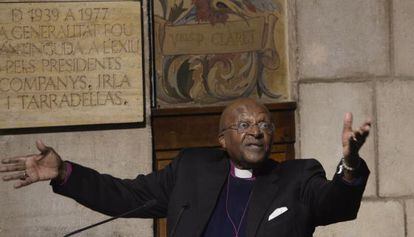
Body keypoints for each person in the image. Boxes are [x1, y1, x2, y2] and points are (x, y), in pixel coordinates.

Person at [0, 98, 371, 237]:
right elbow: (127, 195)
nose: (256, 132)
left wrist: (350, 163)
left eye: (264, 125)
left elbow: (335, 204)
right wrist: (65, 172)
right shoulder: (192, 170)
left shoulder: (297, 176)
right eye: (243, 125)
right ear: (222, 140)